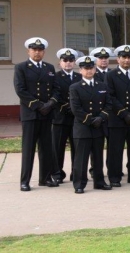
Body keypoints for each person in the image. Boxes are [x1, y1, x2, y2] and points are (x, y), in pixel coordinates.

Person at [15, 37, 59, 191]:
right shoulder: (21, 67)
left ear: (44, 52)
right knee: (28, 149)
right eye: (34, 49)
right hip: (31, 113)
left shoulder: (49, 68)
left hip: (47, 113)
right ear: (29, 51)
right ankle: (25, 181)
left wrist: (51, 103)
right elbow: (20, 90)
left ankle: (45, 178)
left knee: (46, 148)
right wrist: (39, 105)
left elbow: (56, 89)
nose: (37, 52)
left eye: (40, 50)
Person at [69, 56, 113, 194]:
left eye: (91, 68)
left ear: (95, 69)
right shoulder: (75, 87)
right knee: (81, 158)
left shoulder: (102, 86)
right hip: (83, 128)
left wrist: (101, 118)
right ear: (81, 70)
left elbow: (108, 104)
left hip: (98, 127)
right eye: (85, 68)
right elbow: (76, 109)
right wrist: (90, 120)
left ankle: (99, 182)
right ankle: (79, 184)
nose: (89, 71)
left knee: (98, 158)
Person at [105, 45, 130, 186]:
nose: (127, 60)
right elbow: (110, 97)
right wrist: (123, 113)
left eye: (129, 57)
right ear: (118, 59)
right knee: (116, 150)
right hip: (117, 119)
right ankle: (114, 177)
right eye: (124, 57)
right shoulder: (110, 75)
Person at [51, 48, 81, 183]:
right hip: (60, 117)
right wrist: (66, 106)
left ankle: (76, 173)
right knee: (58, 147)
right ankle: (57, 174)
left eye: (71, 60)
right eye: (65, 60)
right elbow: (53, 95)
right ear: (60, 63)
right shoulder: (54, 77)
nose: (68, 63)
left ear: (74, 62)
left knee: (77, 147)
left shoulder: (79, 77)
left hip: (76, 119)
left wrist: (74, 108)